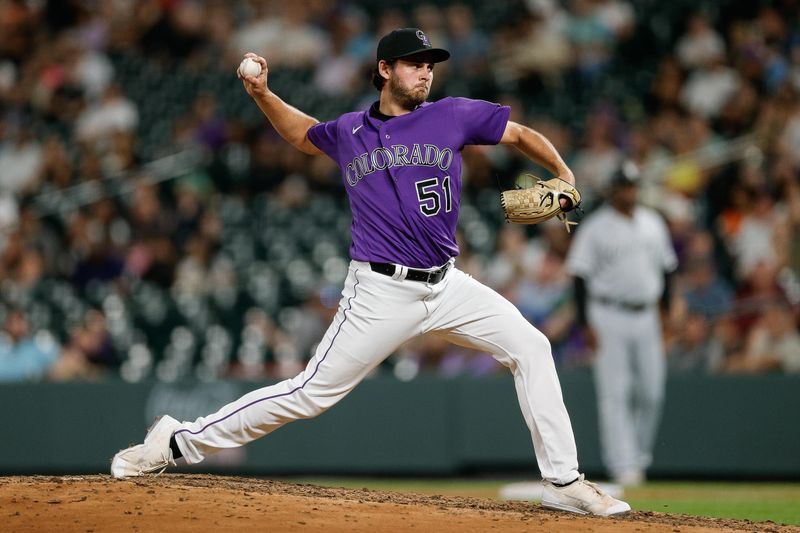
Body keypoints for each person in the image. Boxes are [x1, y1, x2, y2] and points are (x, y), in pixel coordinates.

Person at [111, 28, 630, 516]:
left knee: (532, 346)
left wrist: (563, 174)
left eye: (430, 65)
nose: (426, 73)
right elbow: (302, 135)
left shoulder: (453, 114)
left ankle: (563, 484)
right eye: (414, 65)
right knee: (309, 394)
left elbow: (520, 134)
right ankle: (176, 441)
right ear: (385, 69)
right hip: (380, 291)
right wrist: (262, 95)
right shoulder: (351, 130)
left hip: (447, 284)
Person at [566, 161, 678, 487]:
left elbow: (668, 270)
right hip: (608, 314)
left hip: (646, 315)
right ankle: (622, 464)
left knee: (652, 392)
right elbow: (579, 276)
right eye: (623, 185)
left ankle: (639, 457)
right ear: (613, 190)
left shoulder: (653, 222)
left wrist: (668, 313)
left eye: (632, 185)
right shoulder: (596, 227)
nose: (629, 191)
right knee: (615, 393)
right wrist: (585, 323)